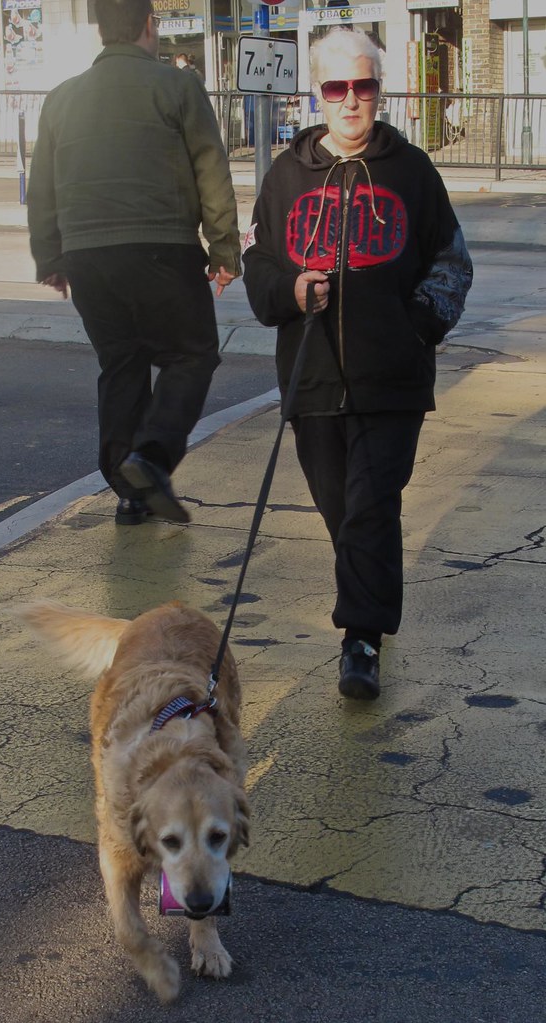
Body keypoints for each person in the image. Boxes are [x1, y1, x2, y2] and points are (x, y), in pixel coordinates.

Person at [242, 28, 473, 700]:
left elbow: (452, 263)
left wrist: (415, 330)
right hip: (311, 379)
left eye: (363, 86)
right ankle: (367, 610)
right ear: (317, 94)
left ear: (379, 90)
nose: (350, 100)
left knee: (371, 507)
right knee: (343, 512)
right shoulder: (284, 176)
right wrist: (289, 291)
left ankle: (360, 640)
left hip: (391, 380)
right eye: (337, 87)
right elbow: (257, 264)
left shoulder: (412, 171)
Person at [27, 0, 240, 526]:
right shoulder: (177, 86)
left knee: (121, 363)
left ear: (102, 31)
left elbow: (42, 186)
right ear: (150, 25)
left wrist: (50, 256)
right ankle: (152, 457)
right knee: (191, 354)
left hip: (87, 258)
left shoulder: (61, 98)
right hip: (161, 247)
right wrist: (223, 249)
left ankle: (130, 495)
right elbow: (211, 169)